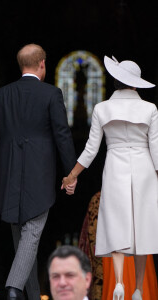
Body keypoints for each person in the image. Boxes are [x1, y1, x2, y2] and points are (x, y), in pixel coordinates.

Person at [0, 44, 76, 300]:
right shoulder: (51, 94)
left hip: (8, 175)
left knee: (24, 241)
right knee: (31, 236)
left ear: (20, 64)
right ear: (42, 63)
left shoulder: (1, 95)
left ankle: (31, 296)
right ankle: (13, 289)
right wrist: (71, 173)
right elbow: (62, 136)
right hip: (40, 176)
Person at [62, 56, 158, 300]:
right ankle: (137, 288)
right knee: (141, 229)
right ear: (135, 84)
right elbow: (156, 150)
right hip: (144, 166)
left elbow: (91, 150)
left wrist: (71, 176)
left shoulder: (102, 108)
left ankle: (118, 283)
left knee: (117, 224)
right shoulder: (150, 108)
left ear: (115, 82)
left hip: (115, 166)